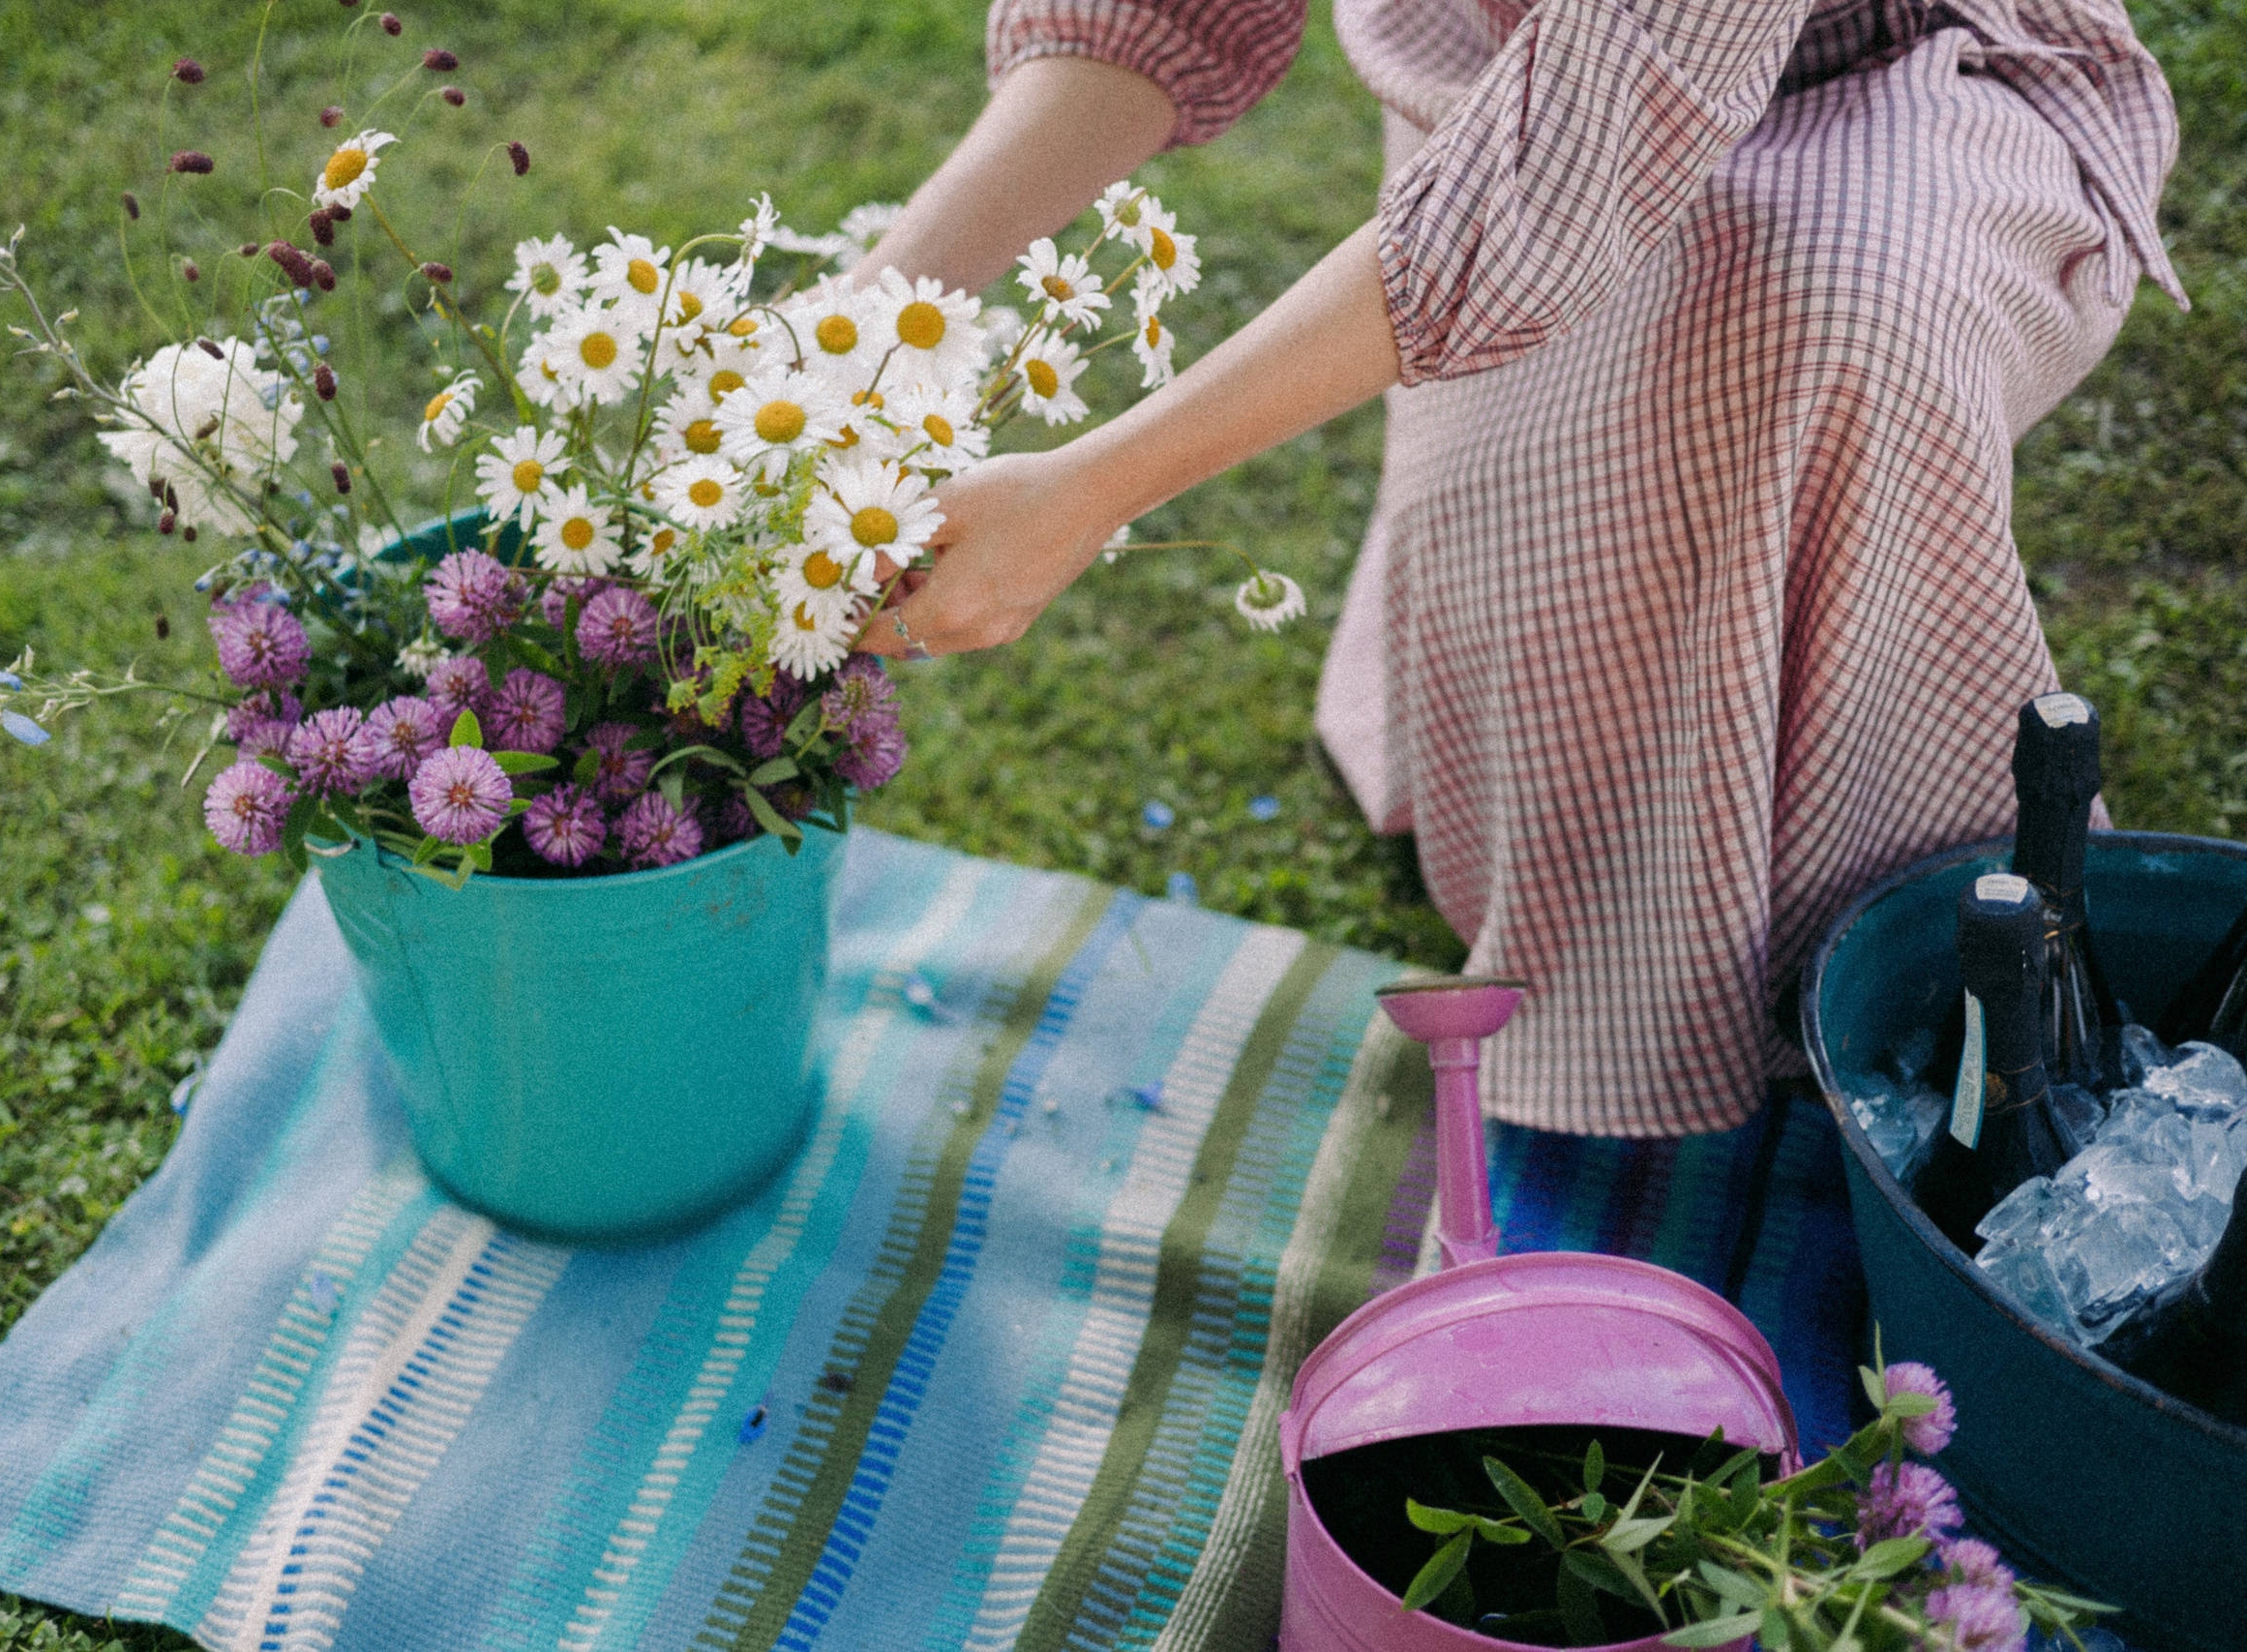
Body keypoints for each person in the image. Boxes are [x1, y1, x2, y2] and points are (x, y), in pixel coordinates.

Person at [849, 0, 2185, 1136]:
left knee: (1818, 319)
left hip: (1897, 81)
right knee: (1573, 457)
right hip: (1502, 92)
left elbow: (1569, 162)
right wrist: (877, 314)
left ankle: (1872, 982)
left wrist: (1089, 494)